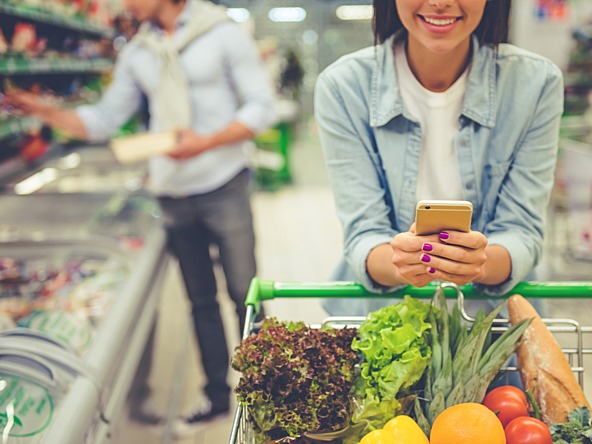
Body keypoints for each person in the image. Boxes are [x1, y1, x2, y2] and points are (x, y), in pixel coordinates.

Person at [6, 0, 274, 435]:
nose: (126, 4)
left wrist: (206, 143)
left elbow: (262, 108)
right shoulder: (139, 51)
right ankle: (217, 397)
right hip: (173, 192)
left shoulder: (219, 31)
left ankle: (265, 393)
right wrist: (45, 110)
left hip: (223, 181)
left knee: (246, 292)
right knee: (200, 300)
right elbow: (107, 118)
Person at [314, 0, 564, 315]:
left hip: (494, 329)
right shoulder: (343, 86)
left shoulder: (535, 83)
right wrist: (399, 261)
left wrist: (480, 263)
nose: (440, 3)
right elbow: (364, 233)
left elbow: (522, 230)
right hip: (384, 325)